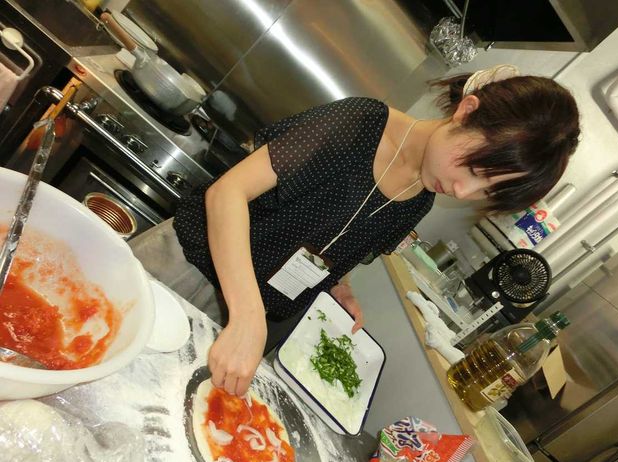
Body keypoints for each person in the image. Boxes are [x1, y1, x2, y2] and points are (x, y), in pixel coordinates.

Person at [130, 64, 580, 397]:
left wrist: (338, 285)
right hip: (189, 267)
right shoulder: (359, 124)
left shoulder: (420, 197)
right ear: (467, 110)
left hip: (250, 317)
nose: (464, 191)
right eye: (476, 169)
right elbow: (227, 193)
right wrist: (247, 316)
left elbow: (335, 240)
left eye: (486, 189)